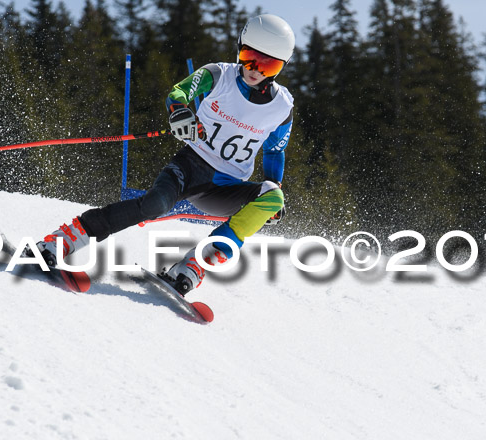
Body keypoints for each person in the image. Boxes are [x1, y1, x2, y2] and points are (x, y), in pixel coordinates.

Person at [26, 14, 295, 295]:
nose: (255, 69)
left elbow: (275, 150)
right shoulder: (218, 74)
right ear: (239, 47)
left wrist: (273, 188)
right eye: (249, 56)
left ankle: (192, 267)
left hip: (226, 189)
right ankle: (61, 241)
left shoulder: (282, 107)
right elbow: (178, 92)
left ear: (280, 67)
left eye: (269, 64)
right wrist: (179, 111)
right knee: (155, 205)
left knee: (273, 196)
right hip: (190, 167)